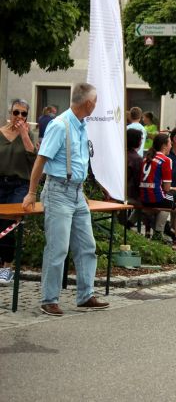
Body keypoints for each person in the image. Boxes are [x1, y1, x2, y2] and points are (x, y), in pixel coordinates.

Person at [22, 83, 109, 316]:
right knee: (57, 248)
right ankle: (49, 299)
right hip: (58, 192)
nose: (96, 105)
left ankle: (85, 295)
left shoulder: (81, 125)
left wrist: (81, 188)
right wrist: (31, 192)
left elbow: (78, 162)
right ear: (88, 103)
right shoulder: (60, 125)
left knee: (87, 246)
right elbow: (41, 160)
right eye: (95, 101)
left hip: (76, 193)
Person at [0, 99, 37, 284]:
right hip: (1, 183)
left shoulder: (29, 135)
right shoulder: (1, 133)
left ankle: (7, 267)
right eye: (16, 112)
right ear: (10, 113)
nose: (20, 117)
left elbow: (34, 158)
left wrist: (24, 134)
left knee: (9, 223)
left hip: (19, 184)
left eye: (24, 113)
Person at [139, 133, 176, 251]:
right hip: (157, 199)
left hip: (144, 198)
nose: (171, 146)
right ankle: (173, 234)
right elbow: (166, 188)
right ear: (164, 146)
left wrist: (174, 188)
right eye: (170, 144)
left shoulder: (146, 158)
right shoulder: (166, 160)